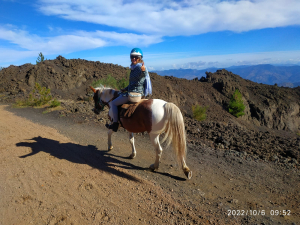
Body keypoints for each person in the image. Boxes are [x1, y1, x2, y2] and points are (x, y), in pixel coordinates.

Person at [107, 48, 147, 132]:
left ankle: (115, 123)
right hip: (135, 92)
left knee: (113, 103)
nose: (133, 58)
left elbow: (142, 77)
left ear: (140, 58)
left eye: (136, 57)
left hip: (133, 95)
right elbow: (134, 83)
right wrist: (125, 89)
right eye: (132, 57)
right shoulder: (134, 67)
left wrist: (143, 72)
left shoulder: (139, 68)